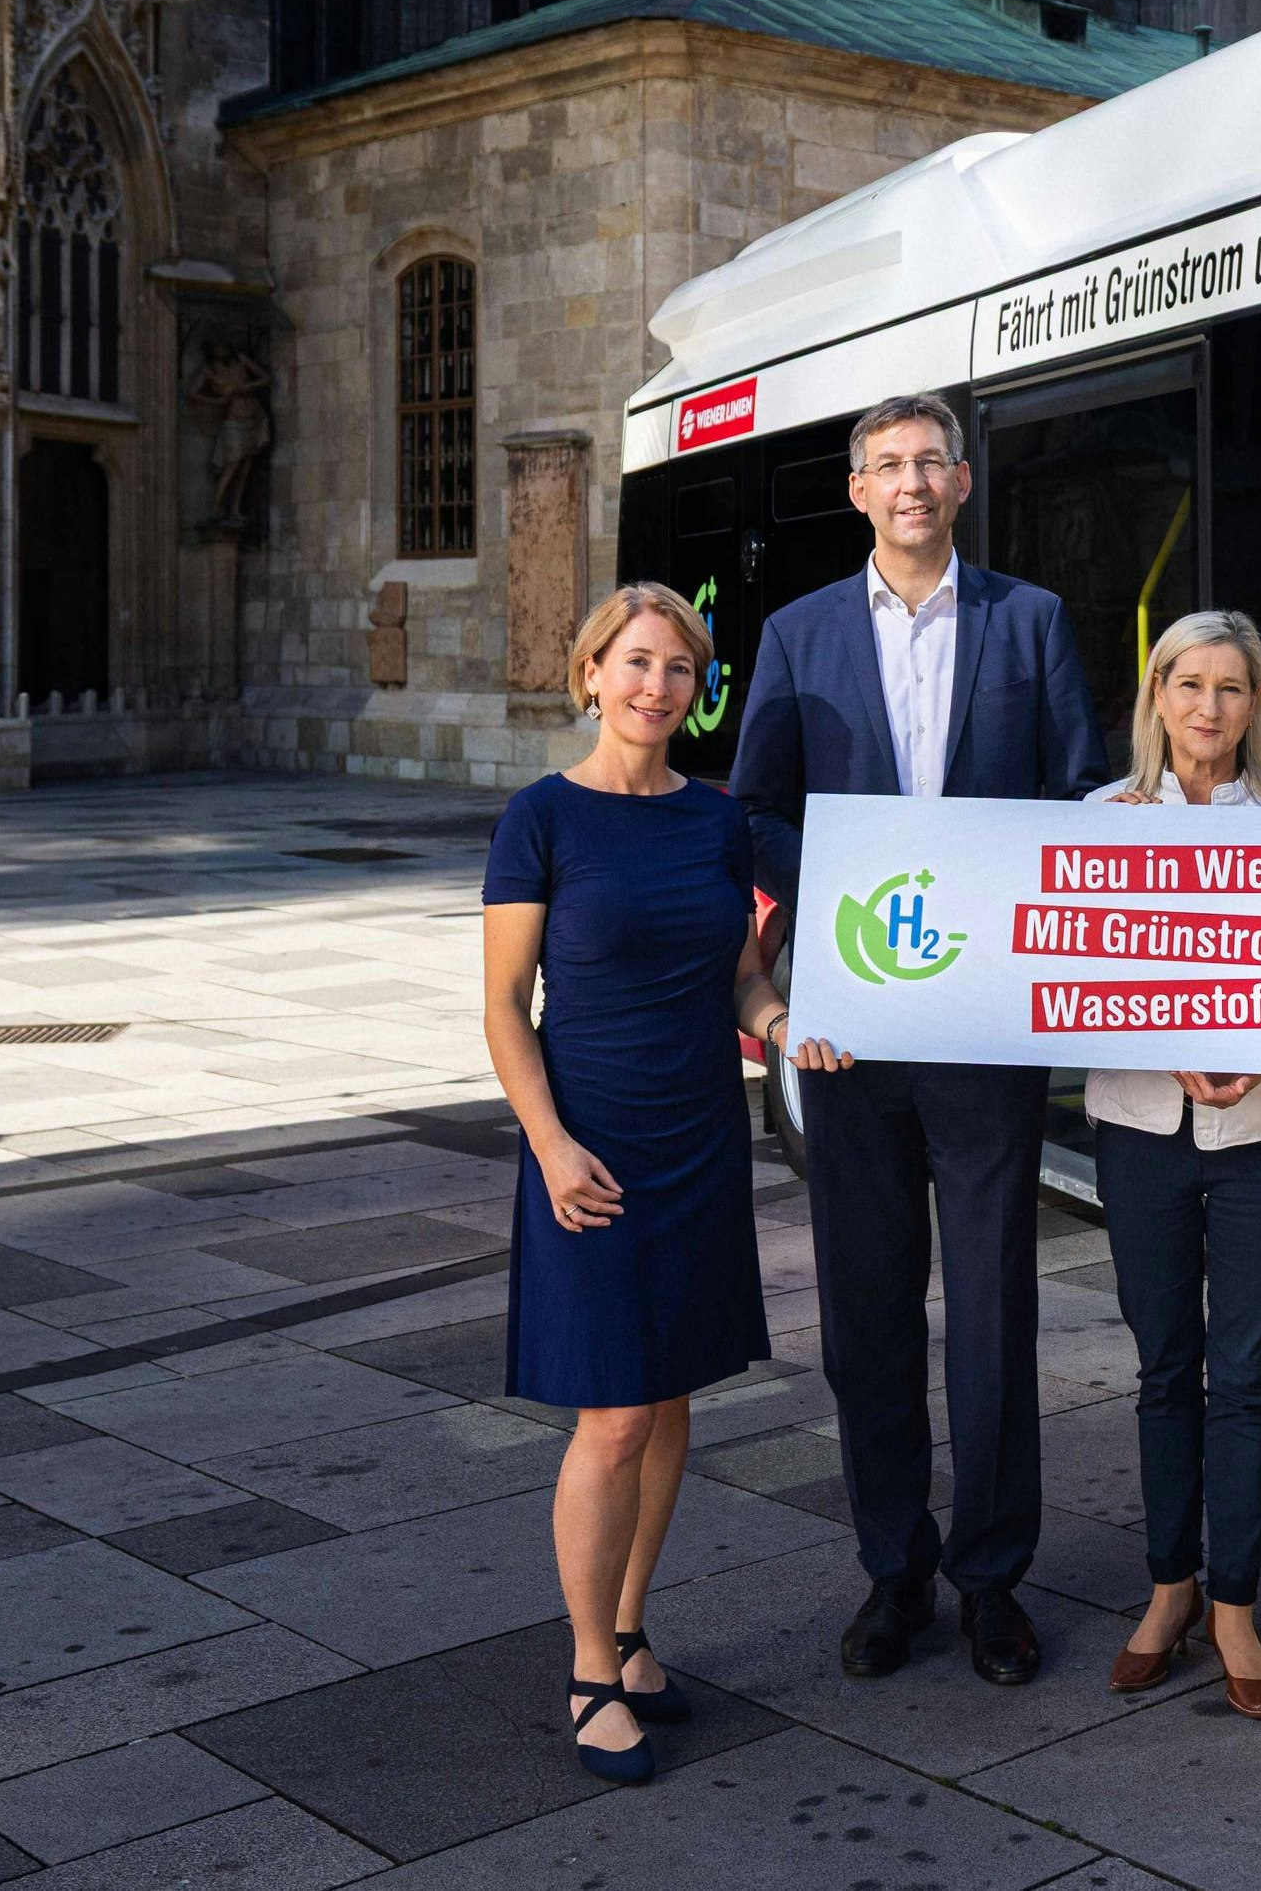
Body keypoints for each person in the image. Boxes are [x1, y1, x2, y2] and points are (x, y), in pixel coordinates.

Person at [728, 392, 1109, 1685]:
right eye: (886, 464)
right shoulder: (798, 634)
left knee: (994, 1311)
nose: (909, 482)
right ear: (857, 491)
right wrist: (839, 888)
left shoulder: (1029, 620)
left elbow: (1073, 793)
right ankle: (894, 1568)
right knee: (868, 1313)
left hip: (984, 1018)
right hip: (853, 1024)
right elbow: (757, 809)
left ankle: (993, 1578)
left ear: (961, 482)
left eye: (929, 462)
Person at [482, 584, 810, 1784]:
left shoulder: (715, 822)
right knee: (613, 1414)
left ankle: (628, 1632)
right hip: (593, 1147)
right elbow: (502, 1009)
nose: (655, 686)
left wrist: (781, 1024)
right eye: (634, 663)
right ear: (589, 674)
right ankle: (585, 1673)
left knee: (669, 1402)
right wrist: (550, 1146)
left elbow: (736, 980)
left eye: (678, 668)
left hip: (697, 1140)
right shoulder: (541, 817)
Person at [1086, 610, 1261, 1724]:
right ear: (1157, 695)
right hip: (1139, 1128)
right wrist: (1167, 1041)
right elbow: (1069, 977)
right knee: (1164, 1368)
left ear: (1258, 707)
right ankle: (1169, 1590)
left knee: (1243, 1376)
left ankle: (1236, 1606)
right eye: (1190, 684)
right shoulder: (1099, 822)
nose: (1210, 707)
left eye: (1232, 688)